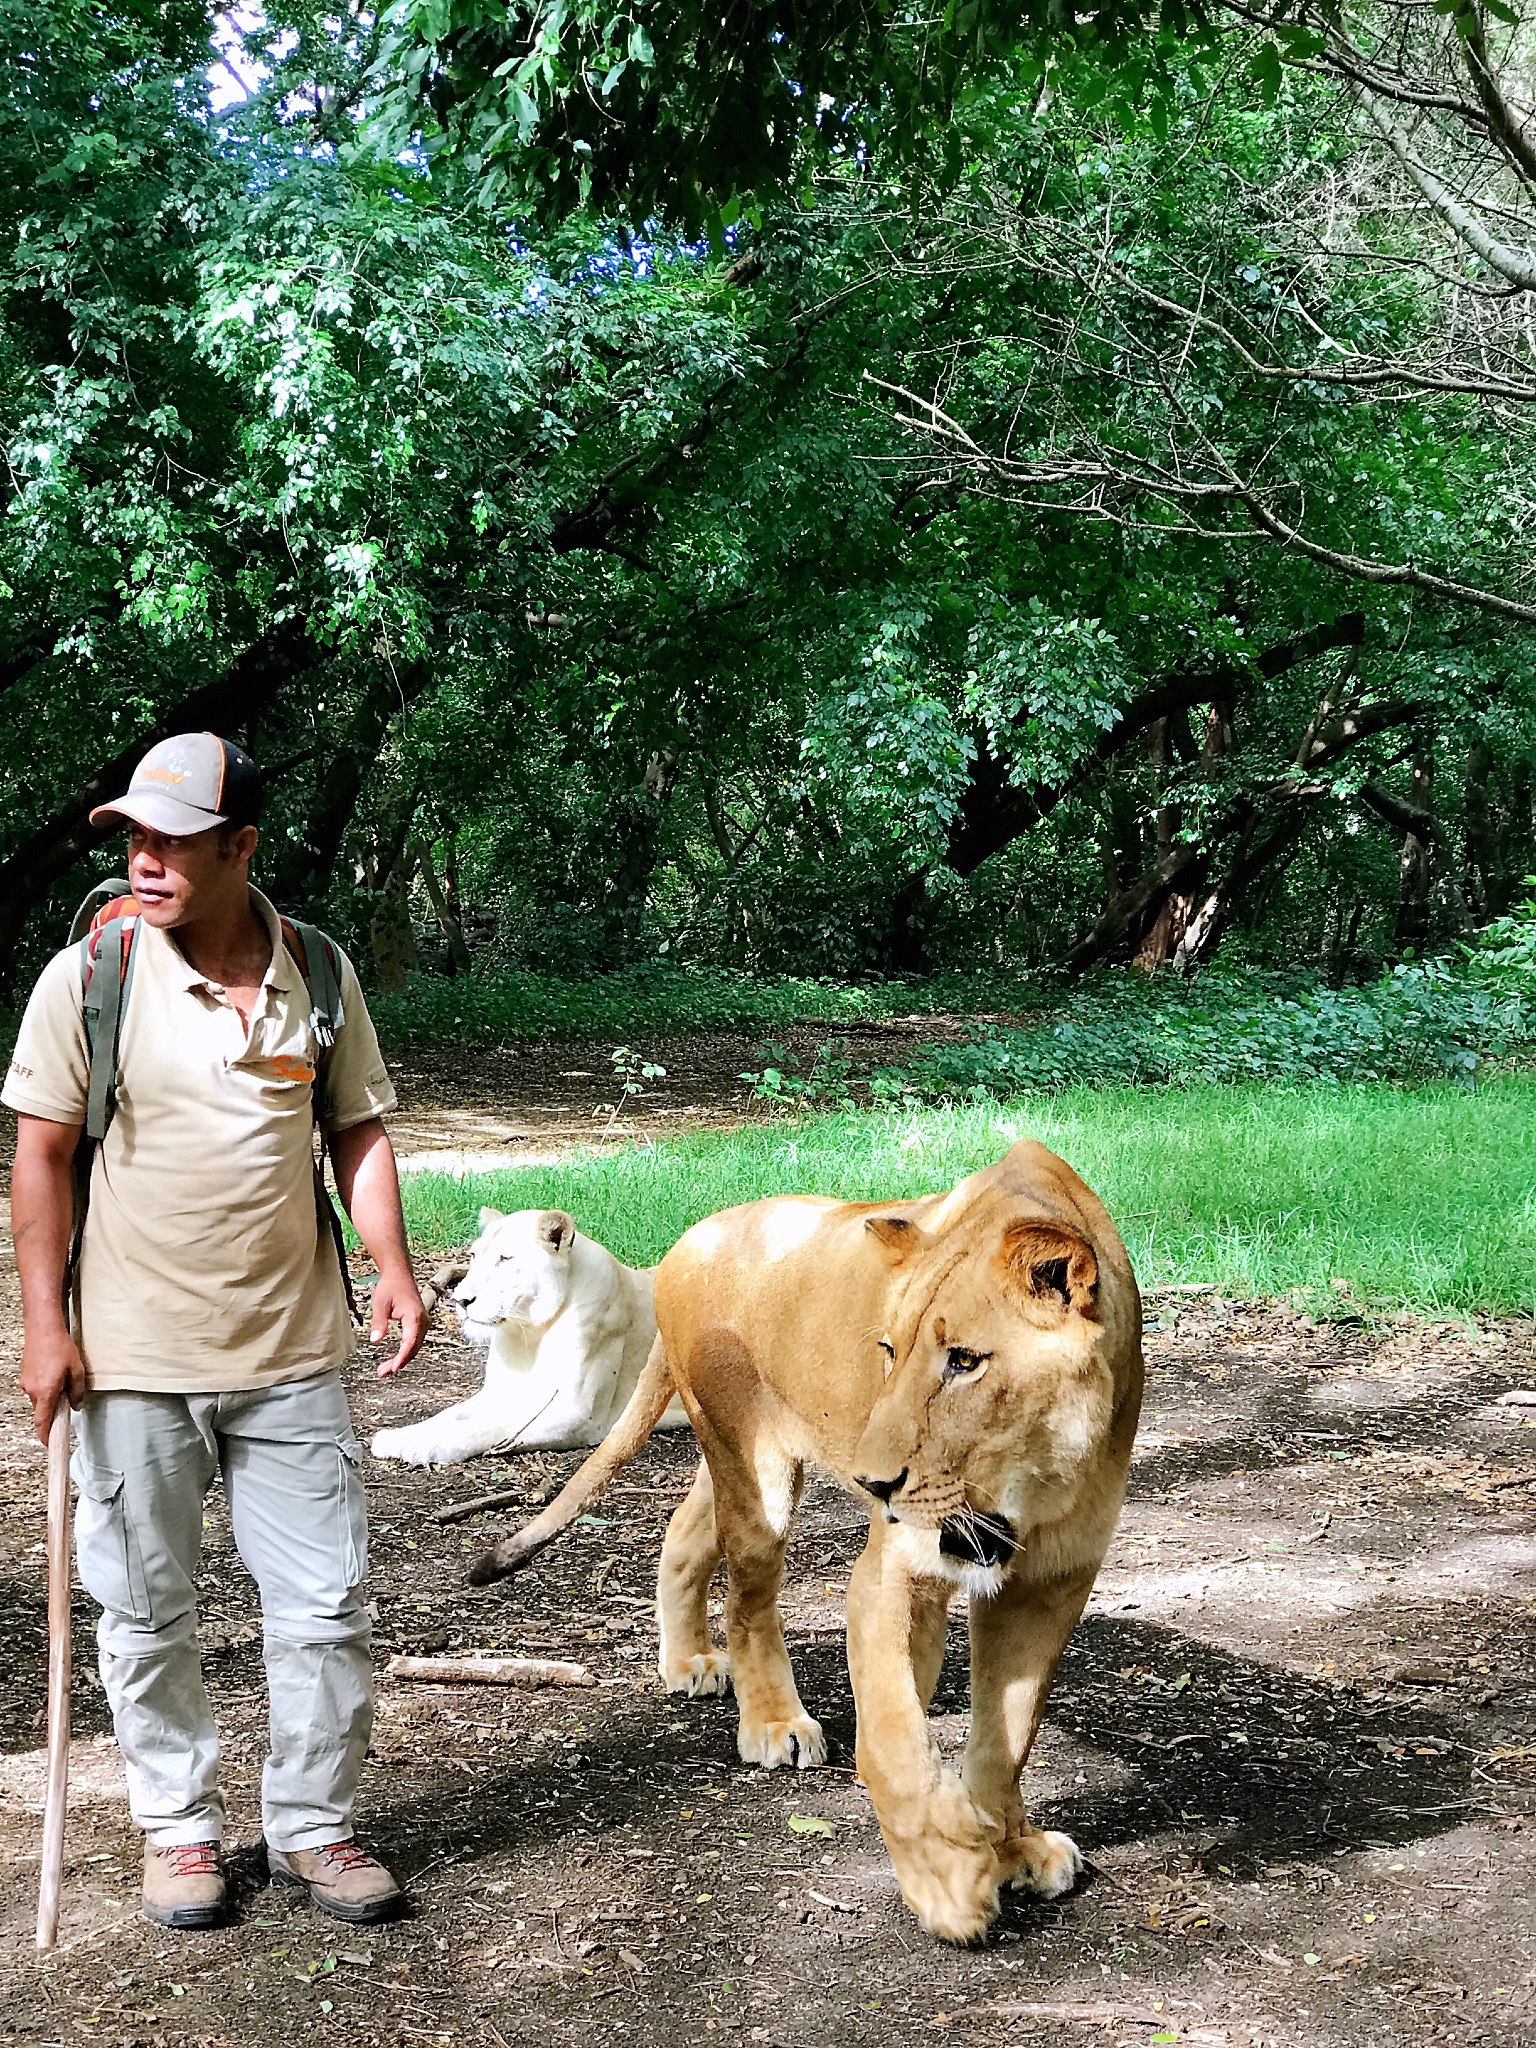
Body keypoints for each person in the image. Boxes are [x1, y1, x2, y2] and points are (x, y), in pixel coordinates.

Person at [5, 732, 426, 1931]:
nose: (143, 860)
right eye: (132, 838)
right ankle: (180, 1830)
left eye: (171, 840)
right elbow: (38, 1156)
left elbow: (358, 1131)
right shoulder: (88, 976)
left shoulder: (321, 972)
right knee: (144, 1611)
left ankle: (311, 1825)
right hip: (132, 1362)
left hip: (293, 1355)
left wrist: (391, 1265)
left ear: (241, 846)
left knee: (327, 1611)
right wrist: (45, 1329)